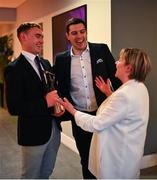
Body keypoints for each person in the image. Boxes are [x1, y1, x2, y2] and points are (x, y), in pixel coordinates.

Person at [58, 48, 152, 179]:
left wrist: (72, 110)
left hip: (117, 161)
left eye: (120, 60)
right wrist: (108, 93)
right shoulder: (139, 87)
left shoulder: (124, 95)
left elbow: (96, 124)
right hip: (129, 155)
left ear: (129, 69)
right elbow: (124, 111)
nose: (116, 63)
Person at [54, 17, 121, 179]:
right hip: (80, 117)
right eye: (74, 33)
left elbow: (117, 79)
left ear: (86, 32)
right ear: (67, 36)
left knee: (107, 157)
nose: (79, 37)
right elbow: (60, 87)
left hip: (104, 115)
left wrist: (119, 103)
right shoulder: (61, 59)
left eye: (82, 32)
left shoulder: (101, 50)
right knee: (86, 159)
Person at [4, 22, 62, 179]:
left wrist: (56, 106)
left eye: (42, 37)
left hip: (53, 131)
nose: (42, 40)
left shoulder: (45, 63)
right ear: (23, 37)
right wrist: (45, 103)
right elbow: (14, 107)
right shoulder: (14, 68)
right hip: (33, 134)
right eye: (37, 36)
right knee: (30, 176)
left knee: (46, 173)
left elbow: (50, 91)